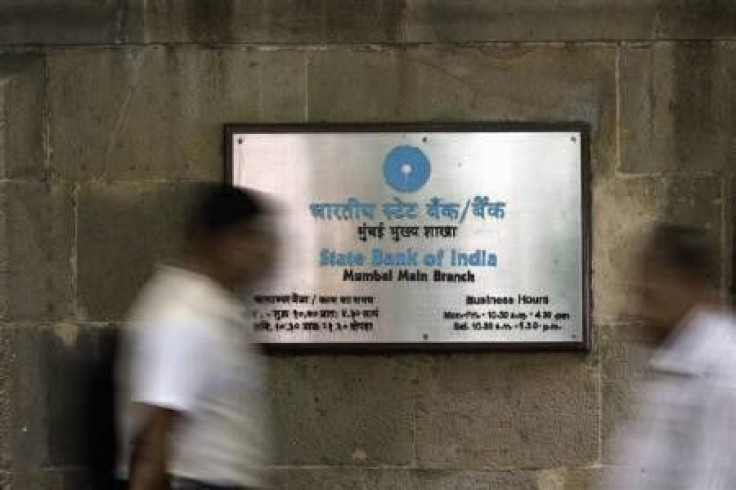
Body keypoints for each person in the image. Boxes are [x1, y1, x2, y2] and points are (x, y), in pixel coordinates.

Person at [116, 184, 276, 490]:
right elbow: (155, 430)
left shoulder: (218, 308)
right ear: (211, 240)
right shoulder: (182, 313)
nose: (260, 250)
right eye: (245, 237)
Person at [604, 223, 736, 489]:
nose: (641, 311)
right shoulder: (673, 360)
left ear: (688, 284)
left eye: (650, 296)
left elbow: (710, 479)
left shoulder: (723, 372)